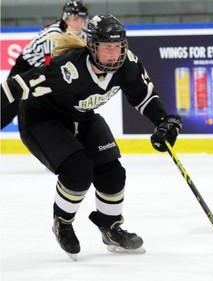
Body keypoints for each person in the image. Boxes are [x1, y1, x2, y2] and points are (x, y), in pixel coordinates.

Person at [0, 14, 182, 260]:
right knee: (78, 170)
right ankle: (62, 222)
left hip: (82, 117)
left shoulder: (127, 64)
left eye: (118, 47)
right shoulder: (67, 69)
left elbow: (144, 96)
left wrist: (162, 121)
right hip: (42, 118)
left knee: (113, 172)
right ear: (92, 45)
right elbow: (14, 87)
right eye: (107, 47)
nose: (113, 53)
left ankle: (111, 228)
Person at [1, 0, 89, 129]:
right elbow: (50, 66)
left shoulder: (82, 34)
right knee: (9, 108)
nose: (79, 24)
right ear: (66, 18)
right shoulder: (53, 34)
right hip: (26, 68)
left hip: (43, 69)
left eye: (82, 20)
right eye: (75, 19)